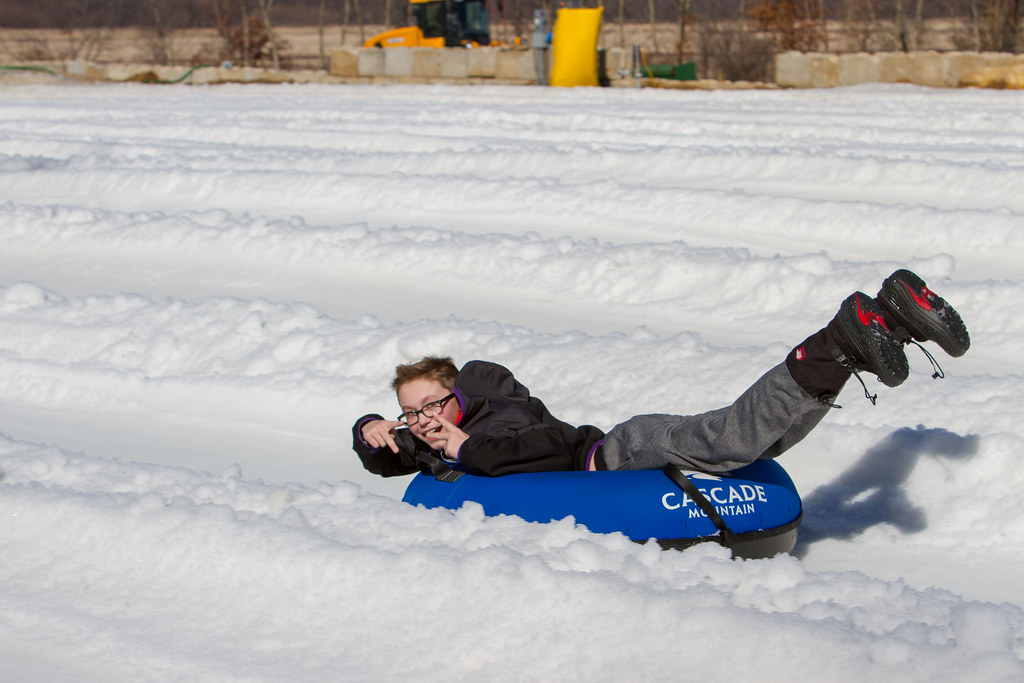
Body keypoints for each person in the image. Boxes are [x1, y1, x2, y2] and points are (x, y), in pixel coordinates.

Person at [352, 269, 970, 478]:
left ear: (457, 395)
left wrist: (466, 447)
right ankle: (882, 326)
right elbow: (387, 462)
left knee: (731, 436)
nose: (421, 420)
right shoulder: (435, 435)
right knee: (767, 441)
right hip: (621, 453)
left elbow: (551, 447)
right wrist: (370, 429)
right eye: (409, 413)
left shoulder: (495, 412)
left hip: (619, 452)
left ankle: (839, 335)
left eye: (430, 404)